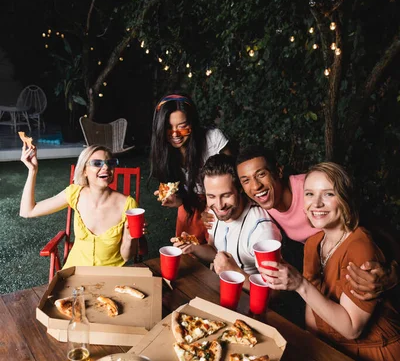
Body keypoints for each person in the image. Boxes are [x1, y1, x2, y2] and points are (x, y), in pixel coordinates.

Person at [260, 162, 400, 361]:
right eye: (309, 194)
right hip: (334, 352)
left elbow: (351, 328)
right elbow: (312, 313)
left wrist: (299, 285)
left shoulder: (361, 246)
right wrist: (313, 349)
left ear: (345, 198)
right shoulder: (313, 243)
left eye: (328, 194)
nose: (316, 203)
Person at [235, 145, 399, 300]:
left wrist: (394, 271)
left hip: (361, 262)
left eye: (261, 174)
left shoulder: (312, 189)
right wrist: (210, 211)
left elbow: (374, 224)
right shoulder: (259, 200)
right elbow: (227, 199)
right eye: (246, 180)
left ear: (278, 170)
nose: (255, 186)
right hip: (325, 268)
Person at [171, 154, 281, 289]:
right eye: (211, 196)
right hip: (217, 289)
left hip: (246, 301)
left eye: (226, 195)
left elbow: (274, 291)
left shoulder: (262, 231)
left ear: (240, 189)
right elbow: (214, 251)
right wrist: (193, 247)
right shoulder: (213, 212)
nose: (219, 205)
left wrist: (235, 272)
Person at [20, 144, 139, 268]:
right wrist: (32, 170)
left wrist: (131, 238)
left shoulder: (128, 205)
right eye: (97, 163)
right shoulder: (74, 193)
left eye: (110, 162)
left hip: (109, 276)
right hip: (74, 273)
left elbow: (126, 256)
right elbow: (27, 211)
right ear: (84, 171)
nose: (106, 167)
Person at [150, 92, 230, 244]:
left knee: (221, 255)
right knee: (187, 255)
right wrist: (177, 200)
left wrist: (213, 208)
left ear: (193, 123)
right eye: (168, 127)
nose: (175, 134)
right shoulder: (164, 151)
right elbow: (184, 194)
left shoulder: (213, 139)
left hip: (220, 203)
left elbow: (235, 180)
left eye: (183, 126)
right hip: (190, 207)